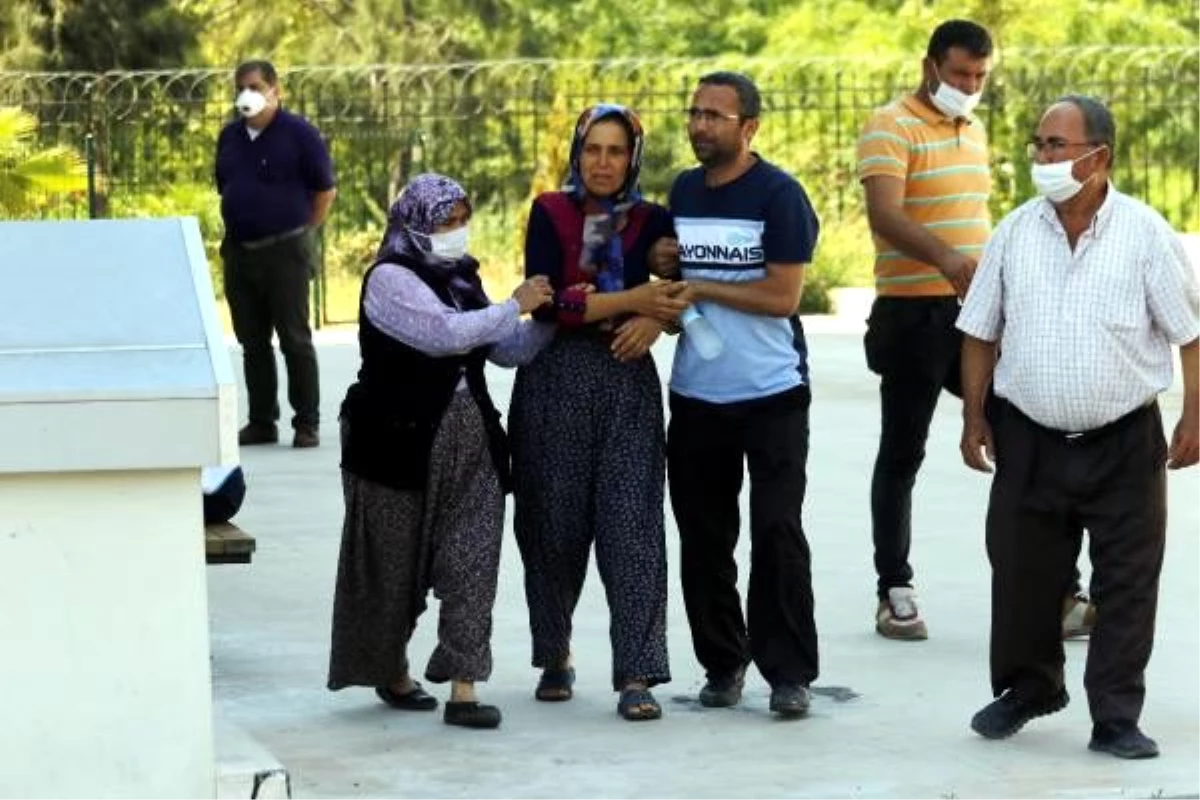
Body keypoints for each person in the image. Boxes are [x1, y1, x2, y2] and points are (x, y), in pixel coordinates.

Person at [958, 96, 1200, 759]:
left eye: (1057, 145)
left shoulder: (1146, 234)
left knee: (1126, 582)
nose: (1043, 157)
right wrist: (973, 414)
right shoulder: (1013, 232)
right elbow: (979, 330)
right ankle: (1030, 688)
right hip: (1029, 437)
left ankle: (1117, 717)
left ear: (1100, 157)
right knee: (1021, 574)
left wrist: (1195, 414)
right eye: (1039, 144)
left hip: (1124, 441)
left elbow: (1191, 335)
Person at [326, 173, 555, 730]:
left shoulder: (461, 278)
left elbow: (504, 349)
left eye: (461, 221)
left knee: (473, 558)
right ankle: (392, 669)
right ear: (415, 224)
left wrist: (554, 318)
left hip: (468, 434)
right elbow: (446, 335)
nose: (457, 233)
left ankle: (464, 686)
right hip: (395, 441)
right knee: (394, 567)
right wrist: (514, 303)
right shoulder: (389, 279)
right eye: (445, 223)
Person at [650, 72, 820, 718]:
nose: (699, 124)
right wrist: (667, 266)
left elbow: (783, 296)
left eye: (715, 115)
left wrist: (703, 287)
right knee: (703, 536)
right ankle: (723, 664)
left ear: (749, 127)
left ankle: (789, 674)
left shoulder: (779, 195)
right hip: (697, 396)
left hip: (772, 394)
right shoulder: (685, 190)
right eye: (694, 112)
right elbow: (674, 276)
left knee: (777, 532)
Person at [510, 103, 686, 721]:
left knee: (632, 525)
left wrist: (653, 318)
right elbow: (550, 304)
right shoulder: (550, 211)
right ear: (577, 153)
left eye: (616, 151)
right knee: (551, 527)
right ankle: (554, 652)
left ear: (632, 156)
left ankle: (637, 673)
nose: (604, 163)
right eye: (593, 150)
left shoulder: (654, 219)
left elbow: (680, 295)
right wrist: (635, 297)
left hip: (626, 383)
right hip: (554, 380)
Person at [855, 20, 994, 640]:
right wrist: (947, 258)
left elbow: (974, 216)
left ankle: (1056, 586)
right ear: (931, 65)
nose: (969, 86)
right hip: (914, 315)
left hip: (977, 315)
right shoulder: (892, 124)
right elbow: (885, 214)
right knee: (903, 451)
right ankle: (895, 589)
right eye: (960, 73)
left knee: (1021, 433)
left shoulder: (976, 129)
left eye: (980, 77)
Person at [215, 59, 336, 449]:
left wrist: (303, 234)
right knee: (252, 342)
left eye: (253, 86)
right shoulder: (230, 137)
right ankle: (262, 421)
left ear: (274, 90)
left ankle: (307, 421)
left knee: (294, 339)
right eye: (239, 88)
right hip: (239, 251)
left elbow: (325, 191)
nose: (245, 94)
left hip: (285, 251)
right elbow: (225, 186)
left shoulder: (299, 134)